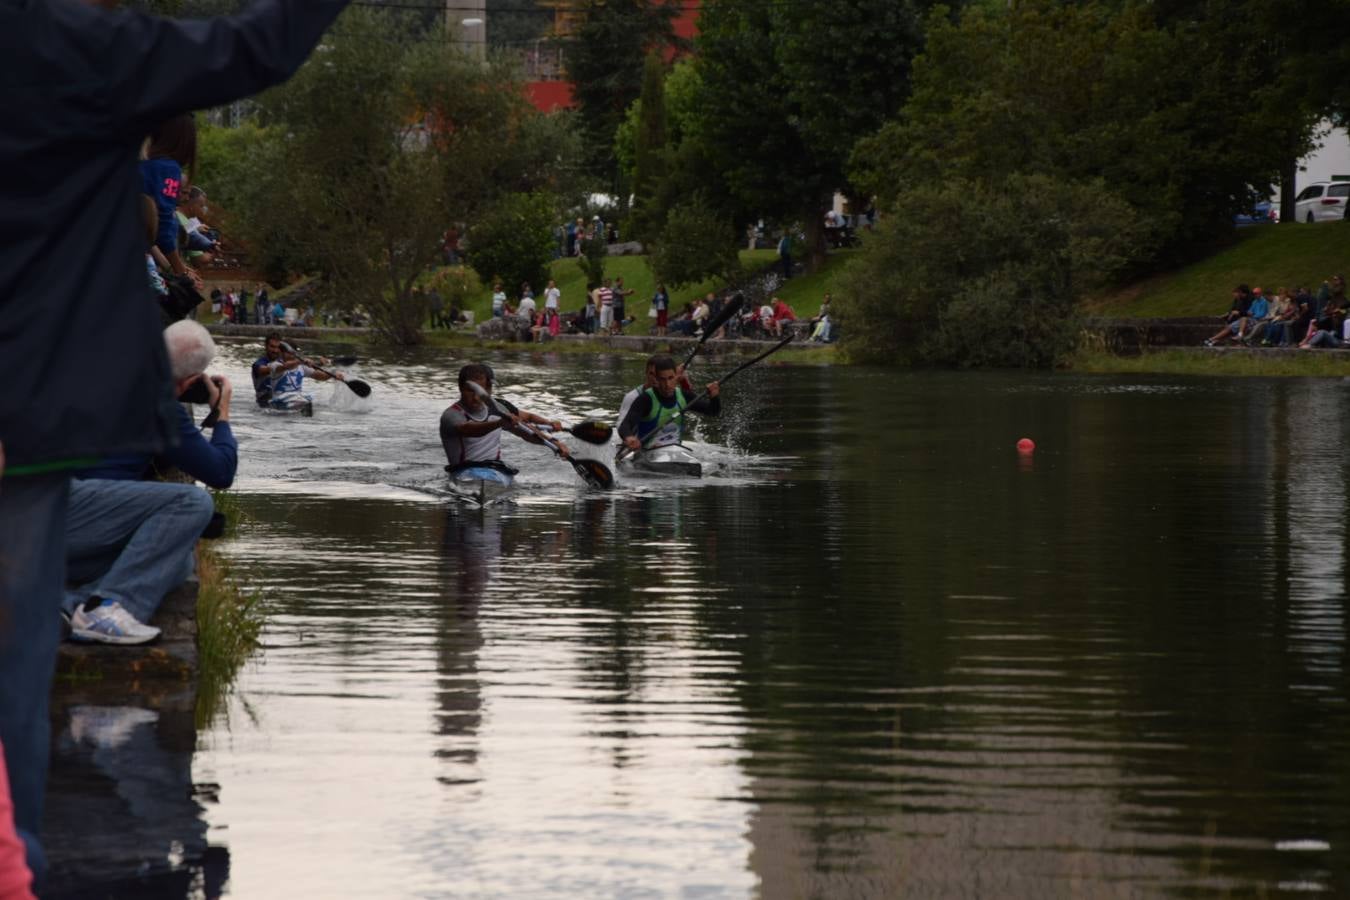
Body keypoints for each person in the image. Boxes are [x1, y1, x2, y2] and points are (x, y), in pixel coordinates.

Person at [0, 0, 350, 883]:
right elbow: (253, 47)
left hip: (36, 421)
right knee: (13, 691)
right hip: (28, 416)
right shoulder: (71, 46)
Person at [63, 320, 236, 644]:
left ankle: (69, 605)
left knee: (178, 560)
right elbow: (221, 473)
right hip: (59, 513)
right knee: (193, 502)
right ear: (189, 382)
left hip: (46, 522)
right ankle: (108, 608)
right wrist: (222, 412)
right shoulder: (159, 405)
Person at [439, 364, 569, 470]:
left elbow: (525, 431)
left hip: (495, 470)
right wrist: (499, 423)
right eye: (470, 391)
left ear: (489, 389)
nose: (476, 397)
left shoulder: (499, 408)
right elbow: (468, 429)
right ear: (460, 388)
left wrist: (554, 443)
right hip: (462, 471)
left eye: (482, 390)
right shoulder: (451, 415)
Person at [618, 355, 720, 452]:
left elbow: (713, 411)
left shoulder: (684, 396)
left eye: (670, 378)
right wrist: (629, 438)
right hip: (648, 453)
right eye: (662, 379)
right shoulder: (646, 399)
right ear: (657, 379)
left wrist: (714, 397)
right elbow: (625, 425)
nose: (667, 384)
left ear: (676, 376)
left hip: (676, 451)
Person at [251, 332, 344, 409]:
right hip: (266, 401)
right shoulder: (266, 364)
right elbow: (272, 369)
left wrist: (333, 373)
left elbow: (318, 375)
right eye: (272, 347)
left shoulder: (298, 365)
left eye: (277, 348)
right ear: (266, 346)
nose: (275, 350)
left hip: (290, 399)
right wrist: (301, 361)